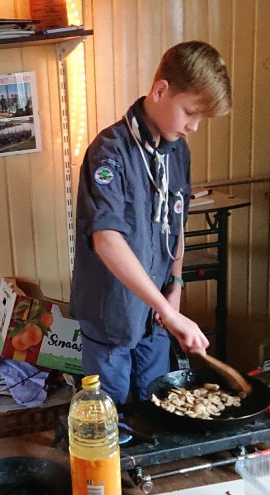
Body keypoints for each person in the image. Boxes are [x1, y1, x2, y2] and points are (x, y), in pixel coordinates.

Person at [69, 41, 231, 405]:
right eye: (190, 112)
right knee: (107, 415)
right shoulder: (109, 151)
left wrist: (174, 286)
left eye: (201, 118)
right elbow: (107, 240)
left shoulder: (177, 151)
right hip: (112, 312)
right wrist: (167, 310)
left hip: (156, 313)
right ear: (161, 90)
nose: (194, 127)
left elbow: (176, 224)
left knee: (160, 403)